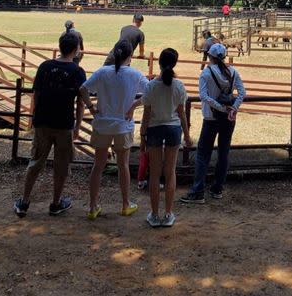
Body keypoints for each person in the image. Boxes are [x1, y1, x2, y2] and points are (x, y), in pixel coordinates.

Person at [14, 31, 86, 217]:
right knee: (61, 164)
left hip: (43, 122)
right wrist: (78, 125)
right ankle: (55, 203)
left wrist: (34, 117)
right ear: (77, 49)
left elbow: (36, 94)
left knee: (36, 161)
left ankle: (24, 201)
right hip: (64, 124)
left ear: (60, 46)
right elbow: (81, 102)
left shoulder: (45, 66)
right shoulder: (77, 72)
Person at [78, 39, 149, 219]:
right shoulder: (135, 74)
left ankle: (93, 207)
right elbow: (150, 92)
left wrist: (92, 109)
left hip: (102, 124)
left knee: (98, 165)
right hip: (123, 125)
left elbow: (83, 89)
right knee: (122, 165)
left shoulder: (103, 72)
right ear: (130, 56)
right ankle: (125, 204)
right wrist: (134, 105)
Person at [127, 48, 191, 227]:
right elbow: (182, 114)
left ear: (159, 63)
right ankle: (168, 214)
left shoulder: (151, 86)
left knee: (154, 173)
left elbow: (146, 114)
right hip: (173, 129)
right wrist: (186, 134)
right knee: (170, 172)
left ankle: (154, 215)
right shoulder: (178, 86)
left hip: (154, 129)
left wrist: (142, 135)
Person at [181, 43, 246, 203]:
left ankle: (198, 191)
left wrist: (220, 108)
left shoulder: (206, 73)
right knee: (223, 153)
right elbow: (242, 92)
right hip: (229, 119)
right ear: (223, 56)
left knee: (203, 155)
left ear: (210, 56)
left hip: (211, 118)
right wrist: (232, 108)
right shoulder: (233, 71)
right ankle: (218, 188)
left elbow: (203, 96)